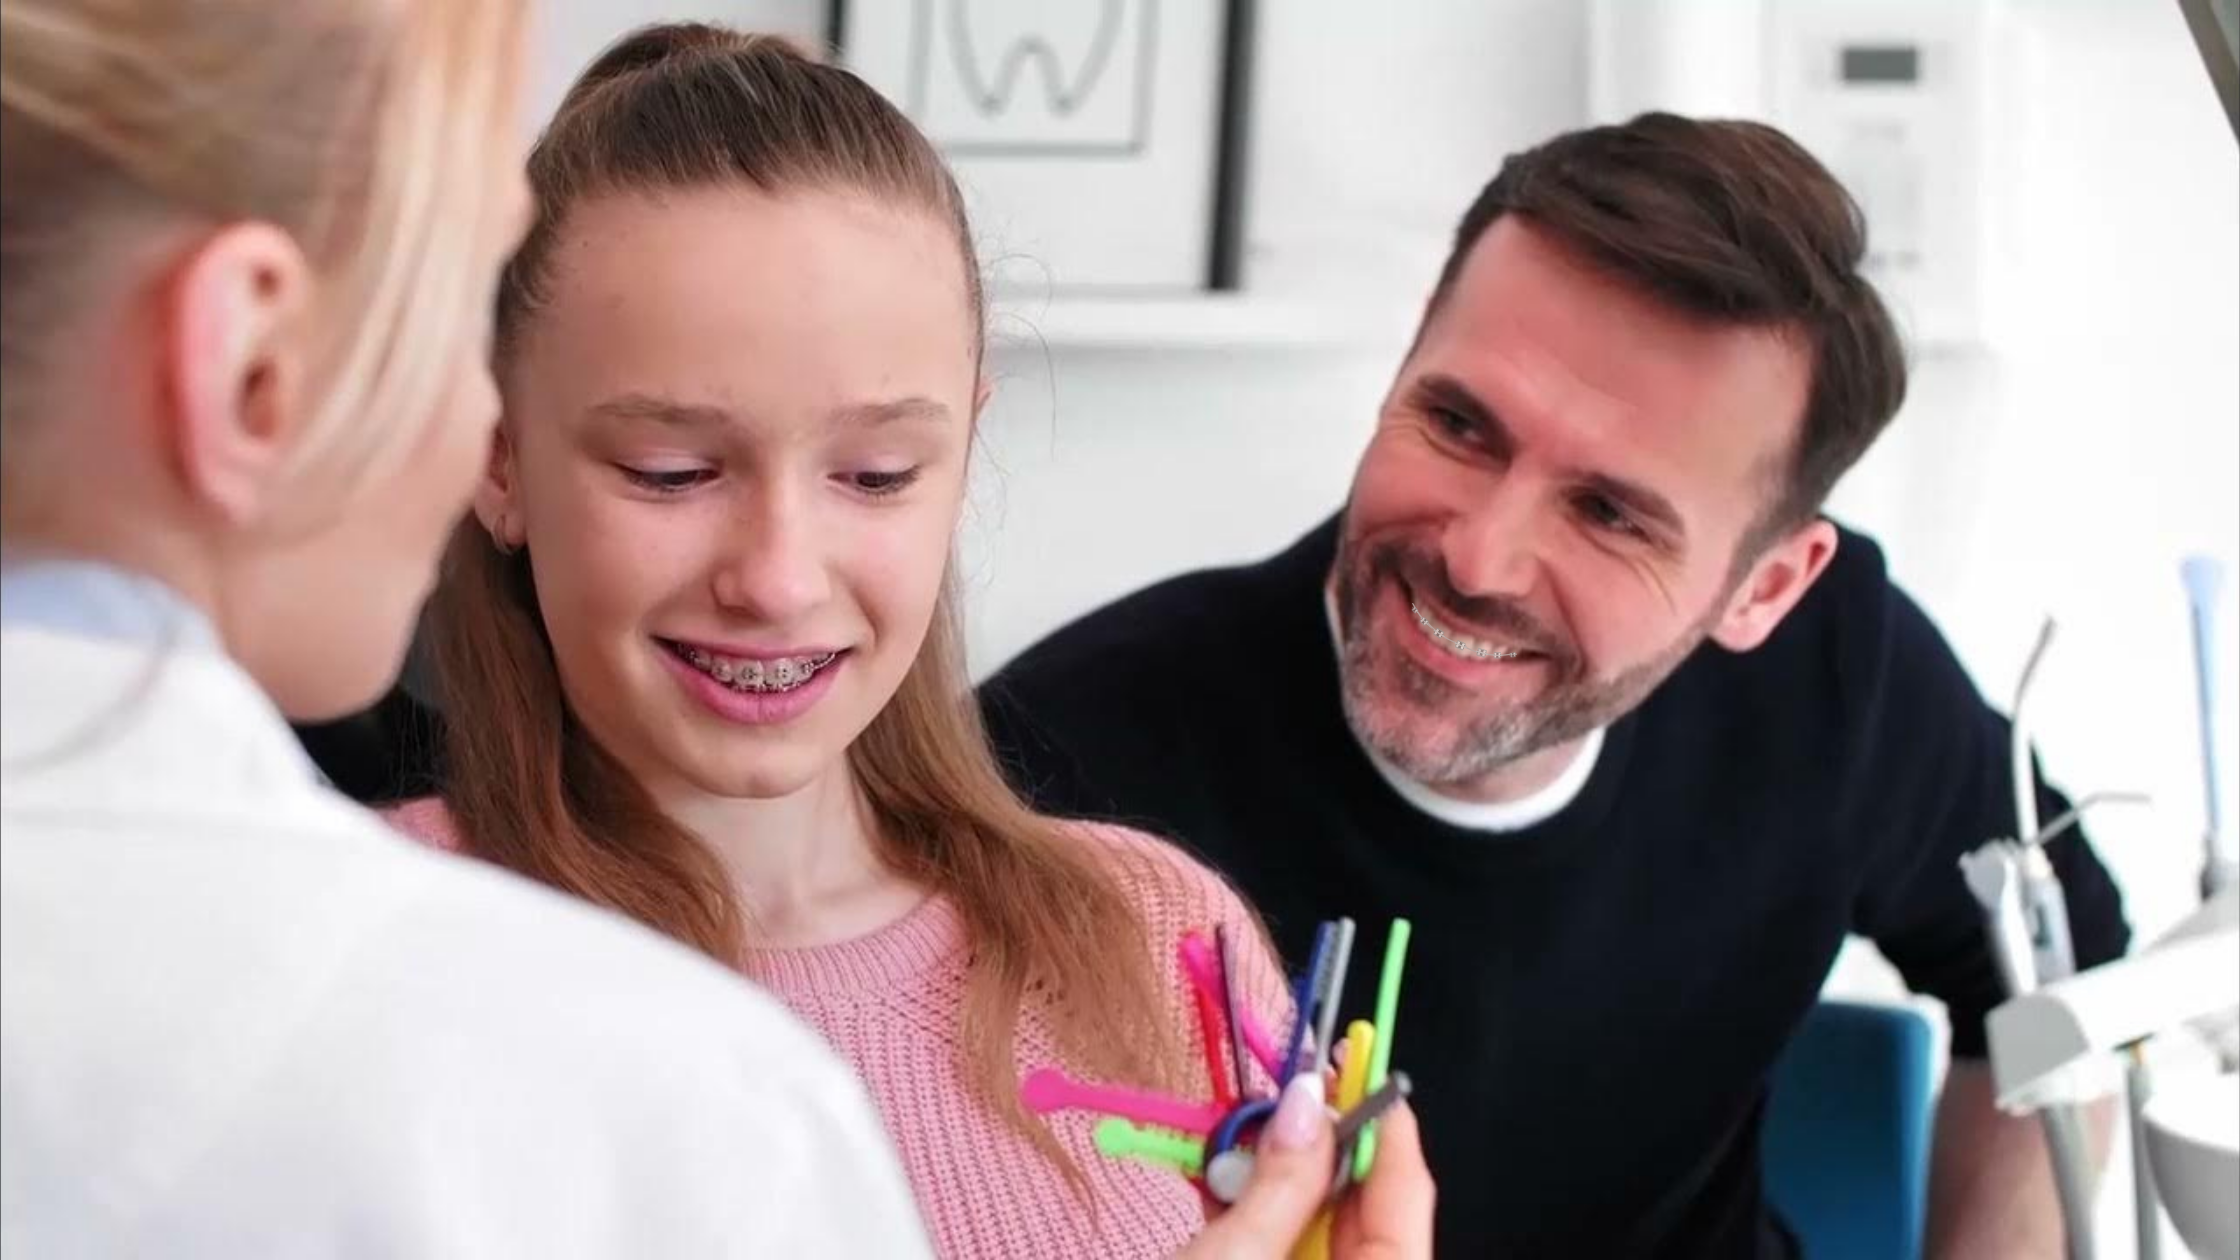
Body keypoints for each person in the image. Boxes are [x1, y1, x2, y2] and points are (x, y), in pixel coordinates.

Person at [977, 113, 2132, 1258]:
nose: (1475, 559)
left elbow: (2056, 994)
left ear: (1766, 588)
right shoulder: (1049, 772)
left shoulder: (1839, 677)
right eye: (1457, 424)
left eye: (1609, 513)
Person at [376, 25, 1431, 1259]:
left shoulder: (1158, 941)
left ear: (960, 454)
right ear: (498, 456)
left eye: (876, 475)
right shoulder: (367, 959)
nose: (775, 577)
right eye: (670, 471)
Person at [0, 2, 934, 1253]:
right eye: (457, 309)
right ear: (248, 361)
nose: (471, 431)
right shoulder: (662, 1123)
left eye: (875, 475)